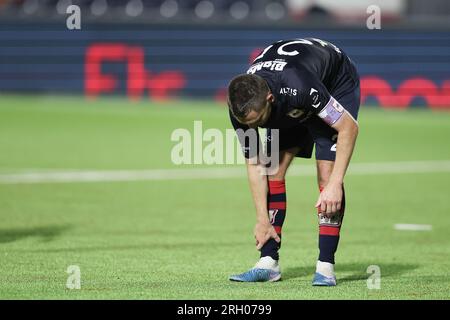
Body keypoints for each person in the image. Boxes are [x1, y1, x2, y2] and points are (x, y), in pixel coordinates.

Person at [227, 38, 360, 286]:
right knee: (272, 170)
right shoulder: (239, 106)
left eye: (258, 122)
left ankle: (325, 267)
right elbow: (255, 162)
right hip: (291, 99)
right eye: (249, 125)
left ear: (269, 98)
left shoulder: (300, 86)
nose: (254, 128)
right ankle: (268, 263)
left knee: (326, 175)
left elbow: (348, 128)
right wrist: (261, 219)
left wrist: (335, 184)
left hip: (333, 82)